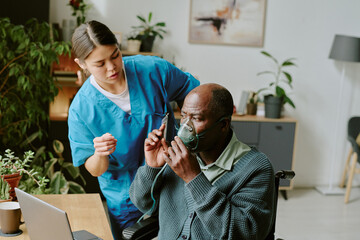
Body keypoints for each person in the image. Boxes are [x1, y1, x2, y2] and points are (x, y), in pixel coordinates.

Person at [67, 20, 199, 240]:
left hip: (175, 184)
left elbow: (196, 96)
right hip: (127, 200)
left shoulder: (153, 70)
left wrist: (187, 132)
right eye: (100, 63)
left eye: (115, 55)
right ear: (81, 64)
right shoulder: (81, 109)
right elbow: (94, 169)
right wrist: (100, 154)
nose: (112, 68)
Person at [129, 83, 276, 240]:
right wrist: (152, 168)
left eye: (196, 118)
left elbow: (244, 233)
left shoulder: (256, 167)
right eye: (184, 116)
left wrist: (193, 178)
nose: (185, 127)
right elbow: (143, 205)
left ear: (223, 125)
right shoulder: (177, 155)